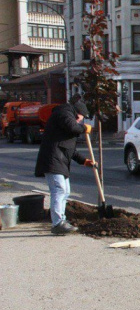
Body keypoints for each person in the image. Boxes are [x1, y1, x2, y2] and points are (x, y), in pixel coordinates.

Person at [34, 100, 96, 235]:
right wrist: (85, 128)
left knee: (65, 191)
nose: (80, 122)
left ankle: (61, 220)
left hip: (59, 161)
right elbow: (73, 127)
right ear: (77, 114)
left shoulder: (65, 122)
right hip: (52, 160)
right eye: (80, 119)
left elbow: (70, 149)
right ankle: (57, 224)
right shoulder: (63, 113)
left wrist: (84, 161)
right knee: (59, 189)